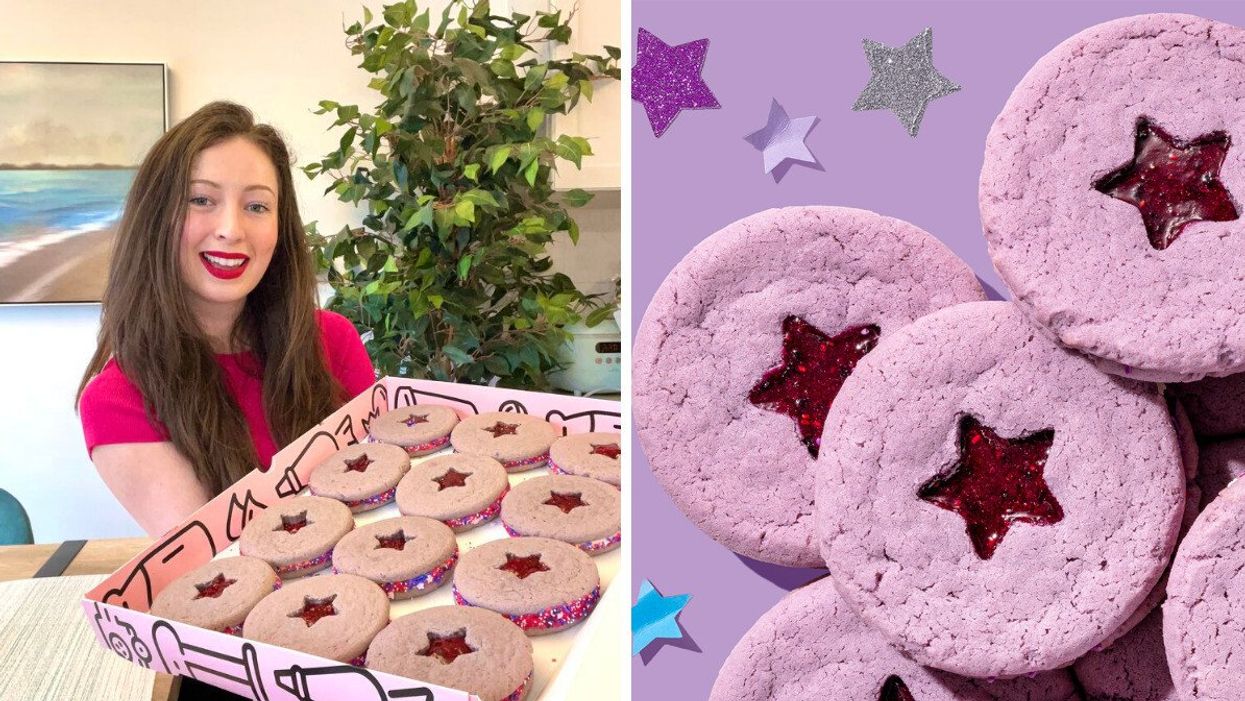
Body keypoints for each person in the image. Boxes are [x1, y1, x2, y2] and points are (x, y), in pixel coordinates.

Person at [76, 101, 375, 537]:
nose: (231, 229)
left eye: (257, 206)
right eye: (201, 199)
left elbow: (380, 487)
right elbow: (218, 566)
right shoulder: (117, 401)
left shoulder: (331, 339)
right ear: (155, 219)